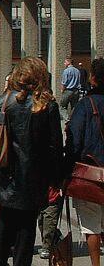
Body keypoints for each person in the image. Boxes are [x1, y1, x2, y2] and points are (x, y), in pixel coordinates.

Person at [0, 57, 63, 266]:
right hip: (33, 179)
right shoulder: (47, 106)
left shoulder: (5, 101)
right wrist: (57, 179)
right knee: (26, 229)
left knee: (4, 222)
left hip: (5, 175)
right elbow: (55, 148)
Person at [65, 57, 104, 266]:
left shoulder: (85, 105)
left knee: (91, 227)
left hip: (91, 175)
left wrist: (65, 171)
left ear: (94, 79)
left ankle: (96, 264)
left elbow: (75, 141)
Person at [60, 56, 82, 120]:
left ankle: (67, 119)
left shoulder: (66, 71)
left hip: (68, 90)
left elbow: (64, 82)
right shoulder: (77, 71)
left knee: (62, 106)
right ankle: (73, 119)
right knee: (74, 106)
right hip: (76, 91)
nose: (64, 63)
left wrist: (62, 90)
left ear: (68, 62)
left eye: (65, 62)